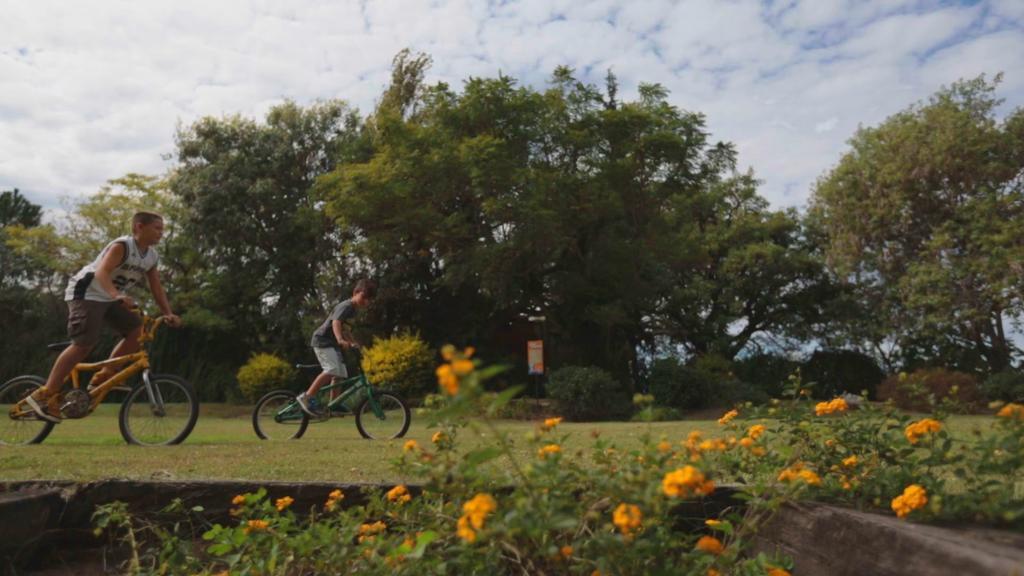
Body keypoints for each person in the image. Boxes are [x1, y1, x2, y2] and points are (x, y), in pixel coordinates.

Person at [24, 211, 182, 422]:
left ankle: (104, 376)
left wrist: (167, 313)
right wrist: (117, 295)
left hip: (109, 298)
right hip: (86, 293)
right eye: (157, 228)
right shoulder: (122, 246)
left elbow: (156, 286)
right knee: (84, 344)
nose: (161, 233)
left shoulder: (151, 256)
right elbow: (101, 272)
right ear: (139, 227)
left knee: (136, 330)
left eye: (162, 229)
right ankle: (44, 394)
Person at [296, 279, 377, 416]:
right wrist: (339, 339)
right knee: (332, 369)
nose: (366, 302)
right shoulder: (346, 306)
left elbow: (346, 329)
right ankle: (307, 397)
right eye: (364, 297)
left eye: (369, 300)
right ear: (355, 293)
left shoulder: (353, 311)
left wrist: (353, 342)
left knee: (341, 373)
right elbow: (336, 323)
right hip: (322, 341)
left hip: (331, 344)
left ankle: (333, 404)